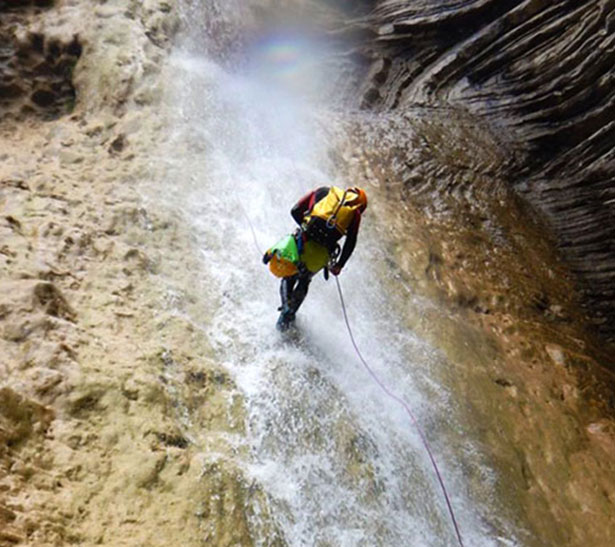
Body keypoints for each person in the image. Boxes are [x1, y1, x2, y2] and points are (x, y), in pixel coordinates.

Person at [263, 185, 367, 330]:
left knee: (289, 275)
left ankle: (286, 306)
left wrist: (306, 227)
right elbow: (350, 242)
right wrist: (339, 265)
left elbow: (295, 211)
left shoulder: (325, 191)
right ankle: (288, 318)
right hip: (321, 253)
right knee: (304, 280)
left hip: (303, 241)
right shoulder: (354, 213)